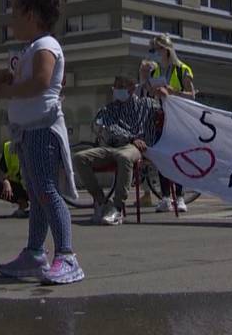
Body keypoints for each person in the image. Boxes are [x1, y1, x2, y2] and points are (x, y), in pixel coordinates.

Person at [0, 0, 83, 286]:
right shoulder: (31, 48)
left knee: (46, 190)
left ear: (31, 16)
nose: (12, 23)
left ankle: (67, 255)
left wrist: (10, 92)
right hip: (29, 131)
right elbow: (26, 80)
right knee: (36, 192)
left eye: (15, 17)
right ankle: (34, 253)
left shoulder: (46, 45)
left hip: (43, 130)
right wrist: (7, 81)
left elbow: (42, 82)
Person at [74, 76, 160, 226]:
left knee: (123, 157)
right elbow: (106, 126)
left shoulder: (145, 105)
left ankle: (118, 207)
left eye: (121, 86)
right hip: (111, 146)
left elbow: (165, 111)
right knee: (79, 157)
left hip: (132, 147)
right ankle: (102, 203)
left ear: (132, 88)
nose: (117, 89)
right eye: (115, 86)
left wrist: (164, 94)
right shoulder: (110, 108)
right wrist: (130, 137)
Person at [139, 34, 195, 213]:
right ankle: (165, 197)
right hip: (160, 117)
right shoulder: (155, 71)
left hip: (178, 120)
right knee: (163, 158)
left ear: (166, 50)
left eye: (157, 49)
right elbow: (148, 91)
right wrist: (144, 77)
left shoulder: (182, 69)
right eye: (153, 50)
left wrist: (172, 92)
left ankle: (179, 197)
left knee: (177, 157)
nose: (155, 53)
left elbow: (192, 95)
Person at [0, 141, 29, 218]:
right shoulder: (9, 147)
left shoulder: (36, 145)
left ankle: (42, 208)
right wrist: (5, 182)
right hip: (22, 186)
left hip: (35, 186)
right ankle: (22, 202)